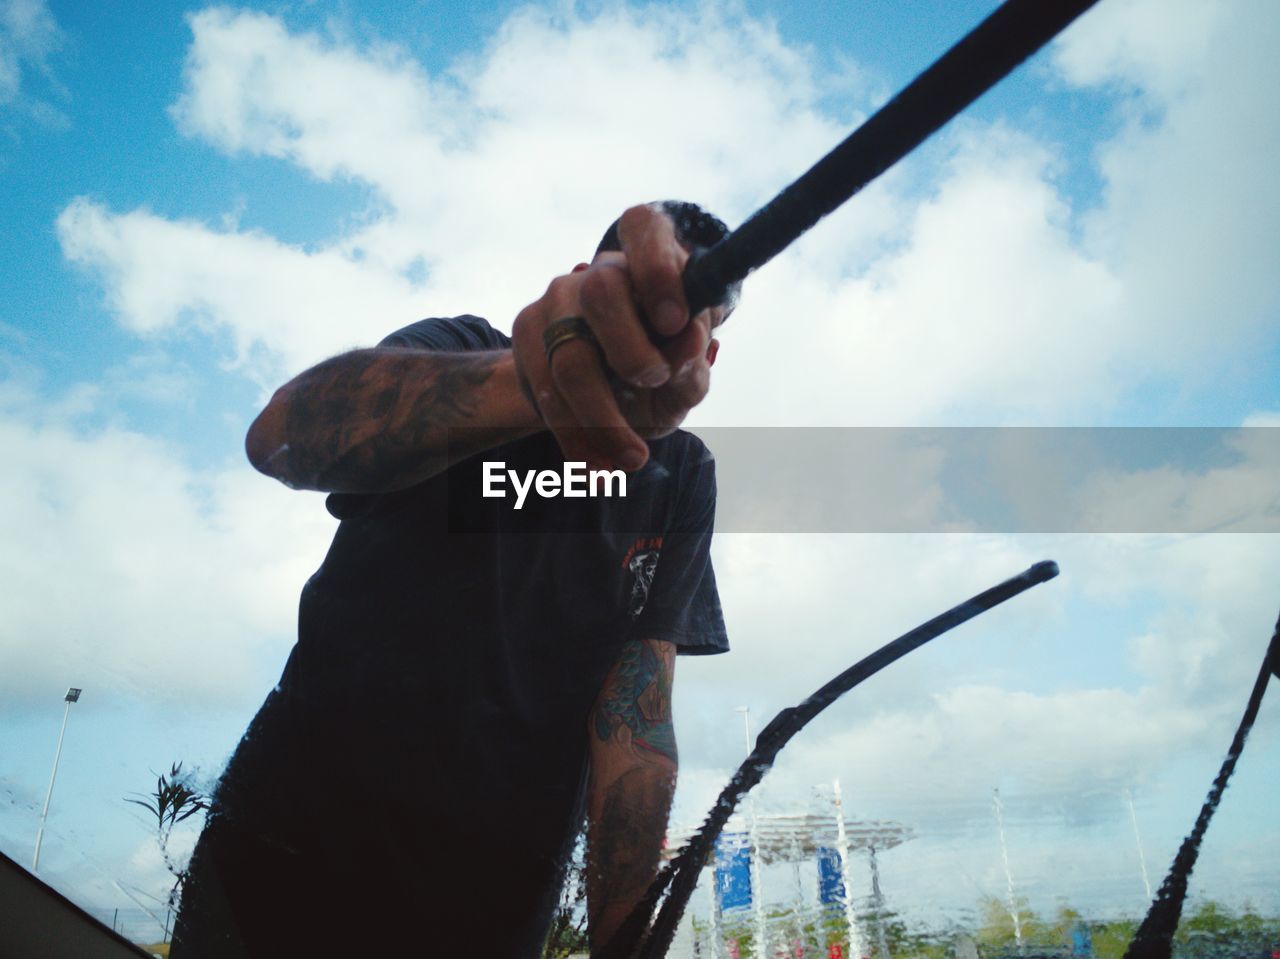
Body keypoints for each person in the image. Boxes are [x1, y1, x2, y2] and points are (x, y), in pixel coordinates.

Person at [170, 201, 738, 958]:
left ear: (709, 361)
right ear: (577, 288)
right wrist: (531, 383)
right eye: (631, 305)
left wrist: (624, 947)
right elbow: (280, 436)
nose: (652, 343)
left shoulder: (682, 476)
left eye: (680, 329)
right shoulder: (460, 349)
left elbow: (634, 721)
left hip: (490, 912)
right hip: (283, 859)